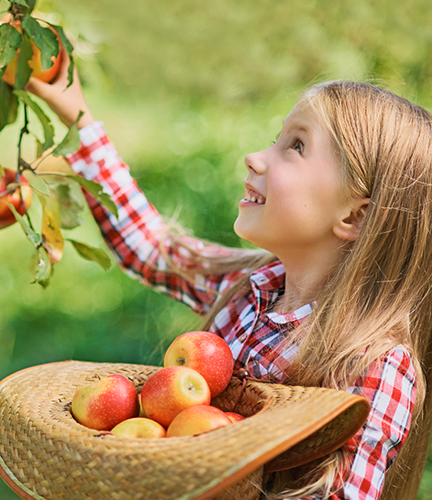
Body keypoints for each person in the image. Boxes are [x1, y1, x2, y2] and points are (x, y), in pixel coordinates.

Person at [26, 51, 432, 500]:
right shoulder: (248, 290)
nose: (255, 158)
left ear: (354, 217)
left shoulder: (371, 365)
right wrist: (76, 114)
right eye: (277, 139)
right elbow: (152, 250)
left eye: (295, 147)